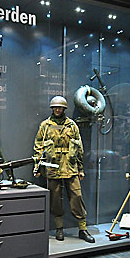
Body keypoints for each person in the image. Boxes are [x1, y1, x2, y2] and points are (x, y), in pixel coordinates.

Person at [33, 95, 95, 243]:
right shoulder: (45, 126)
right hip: (53, 167)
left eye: (60, 107)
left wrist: (80, 168)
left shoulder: (72, 125)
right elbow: (38, 147)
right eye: (55, 107)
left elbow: (79, 147)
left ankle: (82, 228)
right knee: (55, 199)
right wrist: (37, 167)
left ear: (64, 109)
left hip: (70, 166)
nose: (57, 110)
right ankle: (59, 228)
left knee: (77, 197)